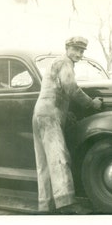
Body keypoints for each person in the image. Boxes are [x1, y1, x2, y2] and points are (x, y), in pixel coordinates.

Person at [32, 36, 102, 214]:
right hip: (50, 115)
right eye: (76, 49)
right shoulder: (65, 62)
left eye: (81, 51)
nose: (79, 53)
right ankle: (66, 204)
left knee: (44, 162)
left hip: (40, 113)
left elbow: (56, 89)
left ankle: (45, 204)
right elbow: (70, 88)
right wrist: (91, 104)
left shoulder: (57, 62)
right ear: (67, 48)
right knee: (59, 158)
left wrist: (66, 112)